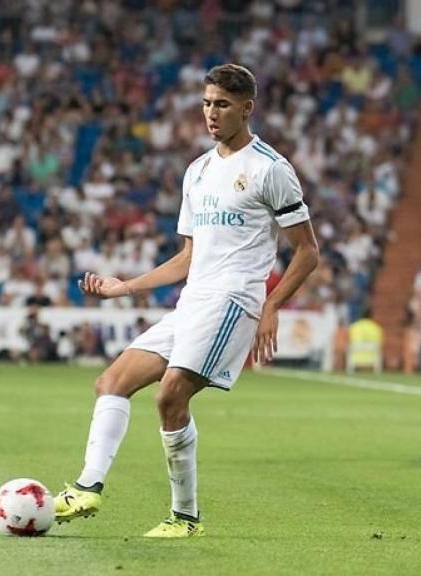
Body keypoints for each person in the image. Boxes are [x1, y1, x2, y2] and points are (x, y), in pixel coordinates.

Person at [54, 64, 320, 538]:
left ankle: (185, 517)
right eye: (206, 103)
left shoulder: (270, 169)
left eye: (221, 104)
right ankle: (86, 487)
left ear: (246, 108)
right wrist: (125, 286)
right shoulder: (197, 171)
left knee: (170, 393)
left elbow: (307, 250)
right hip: (194, 300)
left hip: (235, 300)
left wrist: (273, 306)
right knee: (110, 382)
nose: (211, 113)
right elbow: (188, 256)